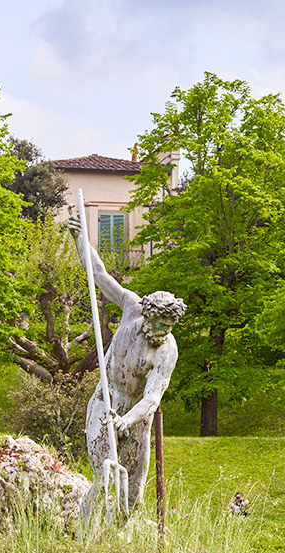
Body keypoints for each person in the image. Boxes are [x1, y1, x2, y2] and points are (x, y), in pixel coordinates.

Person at [67, 213, 183, 518]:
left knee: (132, 498)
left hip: (136, 417)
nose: (161, 330)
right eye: (158, 322)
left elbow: (152, 398)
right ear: (146, 314)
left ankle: (117, 544)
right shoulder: (131, 305)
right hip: (107, 402)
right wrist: (80, 238)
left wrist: (127, 421)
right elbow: (99, 273)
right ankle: (84, 534)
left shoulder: (167, 350)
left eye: (168, 326)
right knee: (106, 479)